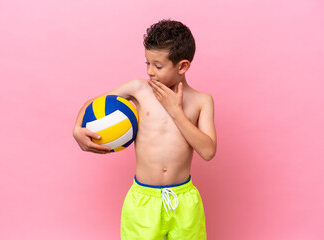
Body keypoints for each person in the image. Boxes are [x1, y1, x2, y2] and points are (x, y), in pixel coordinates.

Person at [73, 19, 217, 240]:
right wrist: (77, 129)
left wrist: (176, 112)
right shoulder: (139, 90)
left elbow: (208, 151)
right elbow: (94, 103)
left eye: (158, 66)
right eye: (147, 63)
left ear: (183, 66)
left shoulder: (201, 101)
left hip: (184, 201)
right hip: (143, 201)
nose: (150, 71)